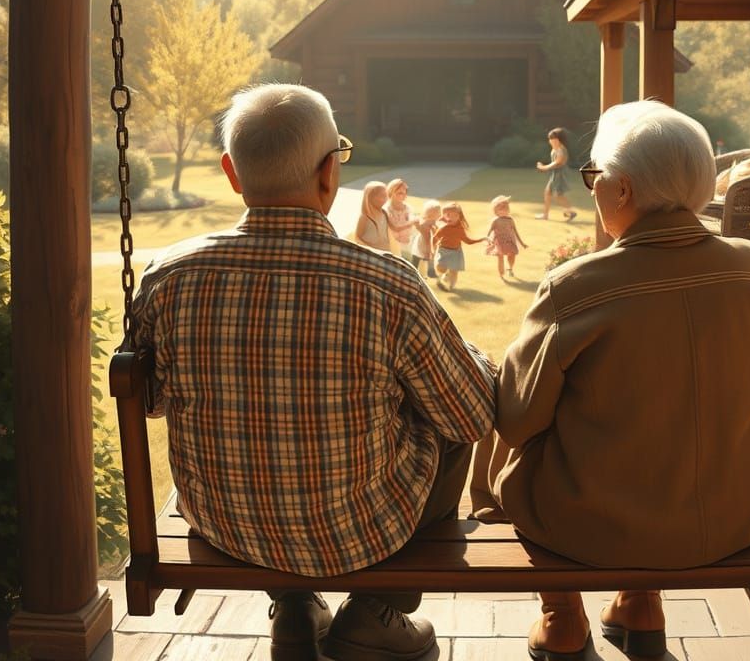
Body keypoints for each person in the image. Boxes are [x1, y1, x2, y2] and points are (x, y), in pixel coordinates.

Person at [131, 84, 496, 661]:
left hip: (225, 523)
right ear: (330, 174)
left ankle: (295, 607)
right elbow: (471, 417)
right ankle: (379, 611)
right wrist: (472, 359)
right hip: (364, 531)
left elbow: (149, 401)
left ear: (231, 172)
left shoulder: (169, 275)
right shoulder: (387, 285)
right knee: (447, 411)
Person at [471, 100, 750, 660]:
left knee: (506, 438)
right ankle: (641, 604)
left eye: (594, 176)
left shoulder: (576, 286)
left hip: (595, 528)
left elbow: (517, 420)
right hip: (735, 517)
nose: (590, 188)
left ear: (622, 191)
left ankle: (561, 615)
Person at [432, 201, 484, 292]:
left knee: (454, 271)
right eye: (447, 215)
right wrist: (432, 249)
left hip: (456, 252)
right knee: (441, 268)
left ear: (459, 216)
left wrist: (481, 239)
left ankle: (451, 287)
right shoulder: (443, 228)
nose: (450, 217)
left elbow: (468, 241)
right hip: (443, 250)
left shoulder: (460, 229)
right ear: (444, 215)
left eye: (454, 215)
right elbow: (435, 238)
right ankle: (444, 274)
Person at [535, 127, 576, 221]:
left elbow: (558, 162)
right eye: (549, 139)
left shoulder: (561, 149)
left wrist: (543, 167)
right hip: (555, 174)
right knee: (548, 192)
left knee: (558, 195)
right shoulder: (555, 149)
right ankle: (545, 215)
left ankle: (571, 212)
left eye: (552, 139)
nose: (550, 141)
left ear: (558, 139)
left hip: (560, 175)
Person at [484, 194, 528, 280]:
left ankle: (510, 268)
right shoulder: (495, 221)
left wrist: (522, 243)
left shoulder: (510, 220)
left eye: (506, 208)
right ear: (496, 211)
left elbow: (516, 232)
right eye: (501, 209)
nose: (504, 210)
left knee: (512, 255)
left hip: (510, 241)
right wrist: (488, 240)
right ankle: (501, 274)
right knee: (500, 257)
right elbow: (490, 231)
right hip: (499, 242)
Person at [410, 199, 442, 279]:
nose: (438, 215)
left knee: (427, 257)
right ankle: (414, 271)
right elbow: (425, 234)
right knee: (419, 256)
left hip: (429, 243)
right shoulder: (427, 223)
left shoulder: (434, 223)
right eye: (430, 215)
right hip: (424, 242)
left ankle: (430, 272)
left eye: (437, 213)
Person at [384, 177, 415, 257]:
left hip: (406, 243)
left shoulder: (407, 208)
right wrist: (410, 223)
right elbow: (394, 228)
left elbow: (411, 221)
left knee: (407, 262)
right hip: (392, 244)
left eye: (405, 193)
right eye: (400, 193)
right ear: (391, 192)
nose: (404, 196)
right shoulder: (387, 209)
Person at [354, 180, 390, 250]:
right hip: (371, 254)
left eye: (386, 195)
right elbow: (357, 238)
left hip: (385, 252)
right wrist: (371, 250)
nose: (385, 199)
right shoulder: (365, 217)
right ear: (370, 197)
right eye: (382, 196)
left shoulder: (384, 213)